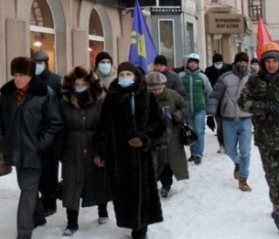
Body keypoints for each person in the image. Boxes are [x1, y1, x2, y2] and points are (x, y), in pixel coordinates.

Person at [93, 62, 166, 239]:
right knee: (125, 194)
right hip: (119, 155)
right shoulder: (111, 98)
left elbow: (161, 123)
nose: (125, 77)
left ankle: (141, 228)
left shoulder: (147, 96)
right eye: (122, 74)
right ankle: (132, 222)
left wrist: (144, 138)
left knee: (143, 192)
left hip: (143, 156)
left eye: (128, 74)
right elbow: (103, 127)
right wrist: (100, 151)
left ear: (136, 76)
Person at [238, 42, 279, 233]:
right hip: (266, 138)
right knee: (273, 178)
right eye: (268, 61)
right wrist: (264, 108)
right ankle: (277, 203)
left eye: (275, 61)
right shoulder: (255, 81)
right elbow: (243, 102)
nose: (271, 65)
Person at [0, 56, 62, 239]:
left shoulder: (45, 93)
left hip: (34, 152)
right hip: (15, 151)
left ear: (30, 76)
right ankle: (39, 216)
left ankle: (23, 233)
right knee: (25, 186)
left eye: (23, 75)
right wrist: (3, 141)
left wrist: (40, 144)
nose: (18, 79)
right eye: (15, 75)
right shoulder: (7, 95)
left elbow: (55, 123)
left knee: (28, 190)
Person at [58, 66, 111, 236]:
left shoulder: (100, 101)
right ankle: (71, 222)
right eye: (76, 84)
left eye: (83, 83)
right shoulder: (64, 103)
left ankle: (102, 210)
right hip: (72, 149)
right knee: (71, 186)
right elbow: (60, 128)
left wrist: (102, 150)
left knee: (99, 181)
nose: (79, 86)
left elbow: (106, 127)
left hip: (95, 145)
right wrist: (60, 150)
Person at [207, 52, 252, 192]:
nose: (242, 64)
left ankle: (243, 178)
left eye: (245, 61)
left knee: (245, 150)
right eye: (240, 61)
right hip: (228, 118)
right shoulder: (225, 77)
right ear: (235, 62)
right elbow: (215, 96)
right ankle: (238, 163)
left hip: (246, 117)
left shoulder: (253, 79)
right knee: (229, 149)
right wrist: (210, 114)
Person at [145, 71, 189, 198]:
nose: (156, 92)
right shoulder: (144, 98)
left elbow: (185, 106)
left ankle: (166, 184)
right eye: (153, 89)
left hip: (172, 134)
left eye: (159, 88)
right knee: (155, 160)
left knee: (168, 161)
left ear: (164, 85)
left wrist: (178, 116)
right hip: (153, 135)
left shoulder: (173, 95)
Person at [31, 51, 62, 217]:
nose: (37, 65)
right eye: (34, 62)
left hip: (51, 132)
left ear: (46, 63)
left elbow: (61, 105)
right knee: (37, 170)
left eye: (40, 62)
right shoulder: (29, 80)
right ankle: (39, 200)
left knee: (50, 170)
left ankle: (50, 202)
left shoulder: (55, 80)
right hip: (33, 132)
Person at [179, 53, 212, 165]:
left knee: (199, 131)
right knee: (190, 131)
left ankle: (199, 154)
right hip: (187, 109)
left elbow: (209, 93)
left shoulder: (203, 77)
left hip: (200, 109)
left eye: (195, 62)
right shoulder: (181, 76)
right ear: (187, 63)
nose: (193, 64)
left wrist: (209, 108)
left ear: (198, 64)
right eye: (191, 62)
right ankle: (193, 153)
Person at [204, 53, 232, 153]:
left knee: (228, 125)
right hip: (216, 102)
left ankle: (229, 145)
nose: (218, 64)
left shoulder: (229, 69)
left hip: (228, 102)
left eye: (220, 62)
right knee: (219, 126)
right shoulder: (208, 71)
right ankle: (222, 145)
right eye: (216, 63)